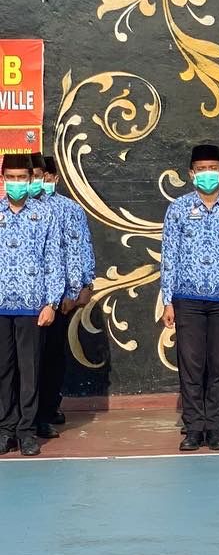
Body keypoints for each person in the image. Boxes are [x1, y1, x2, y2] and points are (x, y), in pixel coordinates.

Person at [160, 144, 219, 452]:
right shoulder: (178, 209)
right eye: (201, 169)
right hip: (186, 299)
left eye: (213, 168)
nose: (208, 174)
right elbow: (169, 257)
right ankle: (193, 428)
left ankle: (214, 428)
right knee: (191, 365)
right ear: (191, 174)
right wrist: (167, 300)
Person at [0, 154, 65, 456]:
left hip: (32, 306)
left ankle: (26, 431)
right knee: (3, 370)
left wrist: (51, 303)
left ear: (29, 179)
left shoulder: (45, 215)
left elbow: (54, 261)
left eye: (20, 177)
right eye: (10, 177)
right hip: (1, 306)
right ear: (3, 179)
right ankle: (5, 429)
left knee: (30, 370)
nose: (16, 183)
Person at [35, 154, 94, 436]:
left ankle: (46, 410)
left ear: (55, 178)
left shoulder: (68, 210)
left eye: (45, 176)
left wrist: (82, 286)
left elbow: (80, 249)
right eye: (34, 176)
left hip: (58, 296)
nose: (39, 182)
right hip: (21, 298)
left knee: (52, 356)